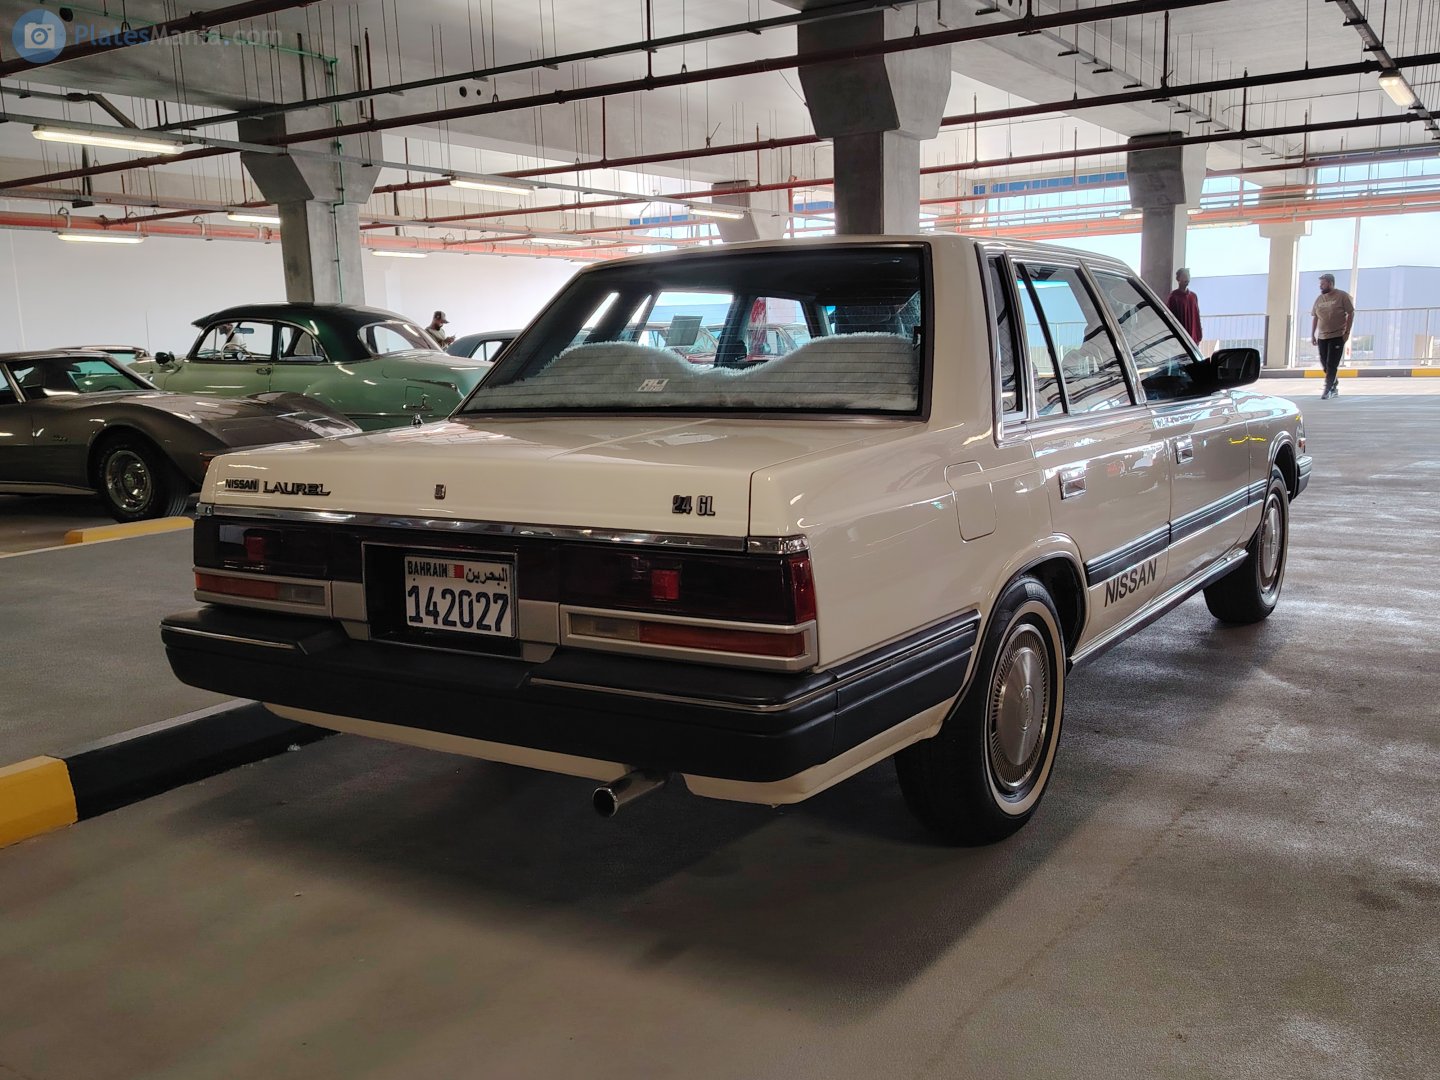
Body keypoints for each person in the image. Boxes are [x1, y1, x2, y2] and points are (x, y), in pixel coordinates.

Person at [1310, 273, 1355, 399]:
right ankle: (1334, 384)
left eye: (1323, 284)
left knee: (1331, 364)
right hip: (1322, 336)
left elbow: (1351, 313)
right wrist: (1313, 334)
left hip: (1337, 335)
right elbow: (1315, 317)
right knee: (1324, 363)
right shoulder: (1319, 299)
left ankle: (1328, 389)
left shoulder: (1342, 296)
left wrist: (1347, 332)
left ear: (1330, 283)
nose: (1320, 286)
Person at [1166, 267, 1202, 344]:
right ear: (1178, 279)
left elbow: (1197, 317)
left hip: (1193, 338)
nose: (1187, 278)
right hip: (1180, 339)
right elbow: (1170, 318)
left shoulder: (1193, 296)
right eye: (1184, 276)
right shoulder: (1173, 297)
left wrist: (1199, 335)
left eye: (1188, 276)